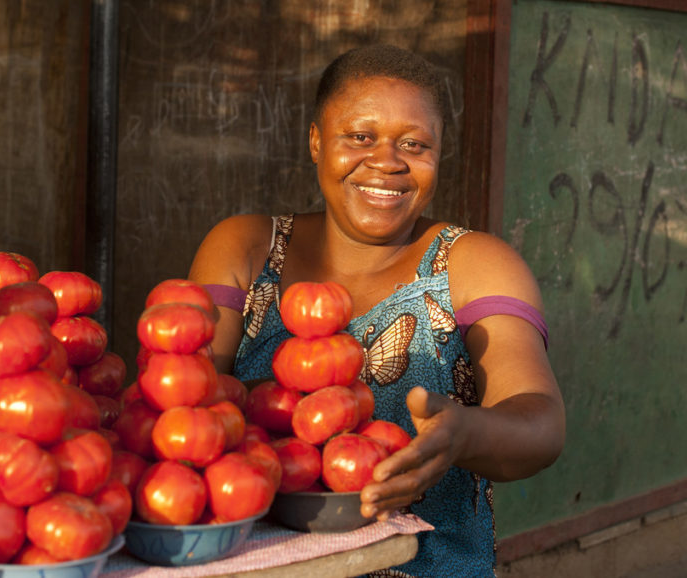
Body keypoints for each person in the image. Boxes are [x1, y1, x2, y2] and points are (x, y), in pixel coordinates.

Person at [187, 44, 566, 577]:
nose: (387, 161)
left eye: (414, 144)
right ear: (316, 141)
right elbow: (182, 401)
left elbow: (542, 424)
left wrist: (464, 434)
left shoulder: (473, 264)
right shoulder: (246, 249)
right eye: (360, 137)